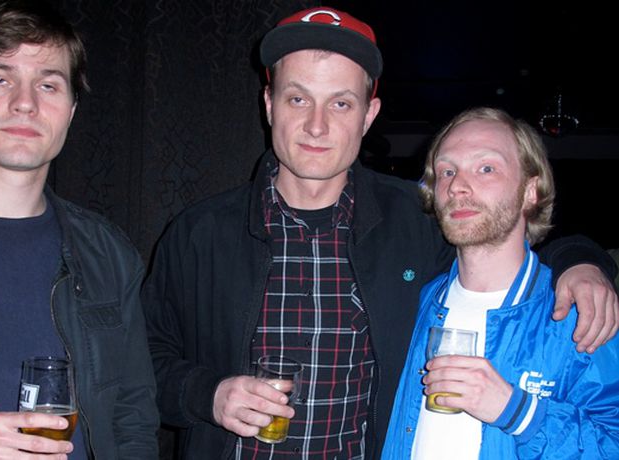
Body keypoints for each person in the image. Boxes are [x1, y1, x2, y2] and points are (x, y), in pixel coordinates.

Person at [143, 6, 618, 460]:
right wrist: (207, 395)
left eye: (341, 103)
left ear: (368, 115)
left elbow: (498, 235)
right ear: (269, 104)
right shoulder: (198, 233)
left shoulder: (417, 220)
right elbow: (140, 361)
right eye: (298, 98)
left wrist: (583, 263)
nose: (316, 125)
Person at [0, 0, 159, 458]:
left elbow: (133, 420)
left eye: (48, 84)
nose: (25, 102)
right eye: (0, 79)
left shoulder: (109, 253)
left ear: (71, 109)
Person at [381, 107, 619, 459]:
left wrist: (518, 412)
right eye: (447, 171)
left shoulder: (580, 313)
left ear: (530, 191)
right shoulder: (416, 301)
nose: (457, 186)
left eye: (486, 168)